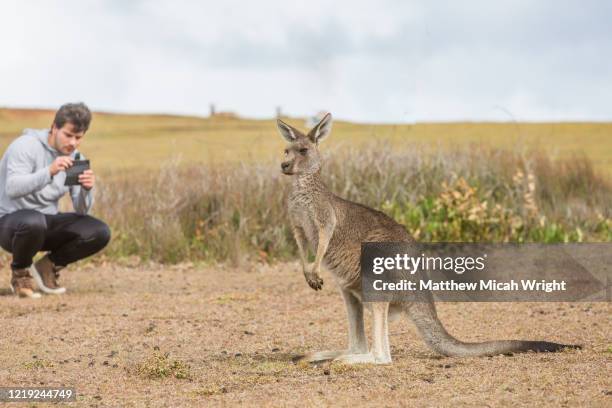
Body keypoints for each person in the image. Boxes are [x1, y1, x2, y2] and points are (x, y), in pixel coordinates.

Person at [0, 102, 110, 298]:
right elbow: (13, 188)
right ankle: (21, 274)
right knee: (33, 221)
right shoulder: (25, 145)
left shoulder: (76, 158)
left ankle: (47, 267)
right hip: (11, 224)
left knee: (99, 231)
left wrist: (86, 190)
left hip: (45, 223)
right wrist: (49, 171)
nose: (73, 143)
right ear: (54, 127)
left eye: (78, 138)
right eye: (68, 135)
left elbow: (81, 211)